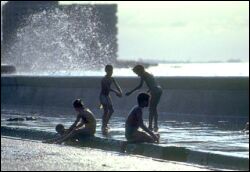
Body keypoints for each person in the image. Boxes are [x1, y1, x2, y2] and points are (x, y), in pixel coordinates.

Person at [126, 65, 162, 132]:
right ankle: (155, 126)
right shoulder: (148, 74)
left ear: (140, 70)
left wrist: (131, 92)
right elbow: (153, 84)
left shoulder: (144, 75)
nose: (137, 75)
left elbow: (140, 86)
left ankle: (150, 126)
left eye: (137, 73)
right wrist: (149, 91)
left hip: (155, 91)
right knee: (154, 108)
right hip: (158, 90)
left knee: (151, 109)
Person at [100, 65, 122, 134]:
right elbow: (107, 88)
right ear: (106, 71)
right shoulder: (104, 79)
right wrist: (116, 92)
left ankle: (105, 123)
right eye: (109, 71)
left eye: (112, 71)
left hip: (107, 96)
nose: (111, 72)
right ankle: (104, 125)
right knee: (106, 111)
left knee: (112, 110)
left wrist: (120, 92)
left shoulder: (112, 78)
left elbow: (117, 85)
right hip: (103, 96)